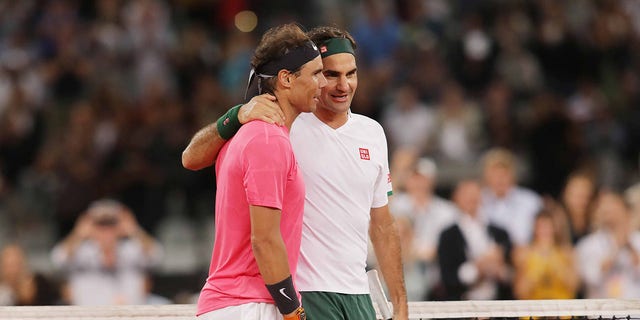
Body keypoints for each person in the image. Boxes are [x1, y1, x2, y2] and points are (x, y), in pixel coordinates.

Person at [182, 25, 408, 320]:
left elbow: (382, 225)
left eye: (350, 74)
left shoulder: (373, 133)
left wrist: (400, 303)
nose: (343, 86)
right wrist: (235, 114)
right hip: (297, 293)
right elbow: (191, 157)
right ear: (293, 78)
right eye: (326, 74)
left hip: (357, 293)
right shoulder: (276, 123)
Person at [184, 23, 326, 320]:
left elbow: (191, 157)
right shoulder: (267, 139)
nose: (323, 83)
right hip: (251, 306)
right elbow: (264, 240)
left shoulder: (250, 134)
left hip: (238, 305)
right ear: (286, 79)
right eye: (316, 73)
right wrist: (293, 313)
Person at [50, 199, 163, 305]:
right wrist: (78, 233)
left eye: (112, 223)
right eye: (100, 224)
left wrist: (134, 230)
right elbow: (58, 258)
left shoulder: (131, 249)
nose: (106, 230)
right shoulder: (82, 251)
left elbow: (157, 255)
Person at [437, 179, 513, 301]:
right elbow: (448, 278)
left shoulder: (500, 233)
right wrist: (478, 268)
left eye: (475, 194)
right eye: (466, 195)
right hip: (463, 305)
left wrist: (500, 269)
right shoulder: (448, 236)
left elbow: (512, 274)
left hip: (498, 304)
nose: (471, 199)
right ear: (456, 199)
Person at [512, 208, 579, 299]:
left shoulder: (567, 252)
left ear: (555, 229)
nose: (545, 231)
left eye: (548, 227)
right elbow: (520, 292)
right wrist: (537, 270)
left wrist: (555, 262)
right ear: (534, 229)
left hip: (562, 308)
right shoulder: (523, 254)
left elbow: (574, 287)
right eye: (541, 227)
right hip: (533, 309)